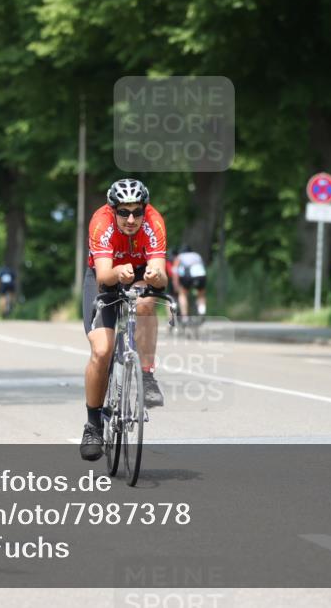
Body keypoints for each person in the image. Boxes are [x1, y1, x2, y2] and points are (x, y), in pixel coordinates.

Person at [79, 179, 168, 462]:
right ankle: (93, 425)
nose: (131, 219)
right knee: (102, 351)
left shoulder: (154, 222)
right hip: (105, 276)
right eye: (124, 212)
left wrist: (155, 277)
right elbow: (105, 275)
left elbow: (161, 275)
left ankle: (147, 374)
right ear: (112, 210)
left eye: (137, 212)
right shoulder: (101, 223)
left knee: (145, 304)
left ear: (145, 210)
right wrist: (119, 273)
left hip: (140, 271)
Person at [172, 245, 207, 320]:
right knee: (201, 294)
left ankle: (185, 316)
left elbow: (175, 271)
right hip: (201, 275)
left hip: (188, 276)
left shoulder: (180, 256)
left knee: (183, 294)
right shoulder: (197, 255)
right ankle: (202, 311)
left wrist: (176, 285)